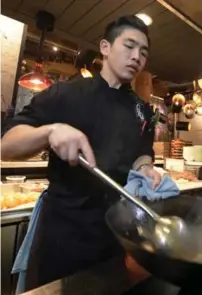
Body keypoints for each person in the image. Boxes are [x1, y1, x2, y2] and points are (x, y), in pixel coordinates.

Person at [1, 15, 161, 291]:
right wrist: (49, 131)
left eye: (143, 52)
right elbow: (6, 144)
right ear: (105, 47)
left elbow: (142, 153)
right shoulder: (65, 94)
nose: (137, 57)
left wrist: (146, 166)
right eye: (130, 46)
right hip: (65, 236)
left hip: (116, 237)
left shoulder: (142, 110)